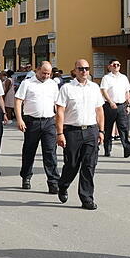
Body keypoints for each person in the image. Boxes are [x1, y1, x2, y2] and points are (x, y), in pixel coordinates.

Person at [55, 59, 105, 209]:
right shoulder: (67, 88)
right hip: (72, 131)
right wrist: (60, 133)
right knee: (72, 164)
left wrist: (101, 130)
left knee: (89, 166)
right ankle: (63, 185)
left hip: (91, 130)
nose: (84, 71)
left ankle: (86, 198)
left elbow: (99, 110)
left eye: (86, 68)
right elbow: (60, 111)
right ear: (75, 71)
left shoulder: (94, 87)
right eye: (81, 69)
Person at [15, 61, 61, 193]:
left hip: (49, 122)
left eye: (49, 73)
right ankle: (26, 176)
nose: (46, 76)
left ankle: (53, 182)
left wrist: (60, 123)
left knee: (50, 152)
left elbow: (57, 104)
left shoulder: (53, 85)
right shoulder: (27, 83)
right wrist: (19, 119)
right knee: (29, 151)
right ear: (37, 70)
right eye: (44, 73)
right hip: (31, 121)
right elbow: (18, 101)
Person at [99, 58, 130, 158]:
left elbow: (127, 91)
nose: (116, 66)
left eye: (118, 65)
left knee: (123, 128)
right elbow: (104, 91)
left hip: (121, 105)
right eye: (114, 65)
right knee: (108, 128)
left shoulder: (123, 77)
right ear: (109, 66)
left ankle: (127, 149)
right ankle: (107, 149)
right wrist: (110, 102)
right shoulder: (106, 78)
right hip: (110, 106)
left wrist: (128, 105)